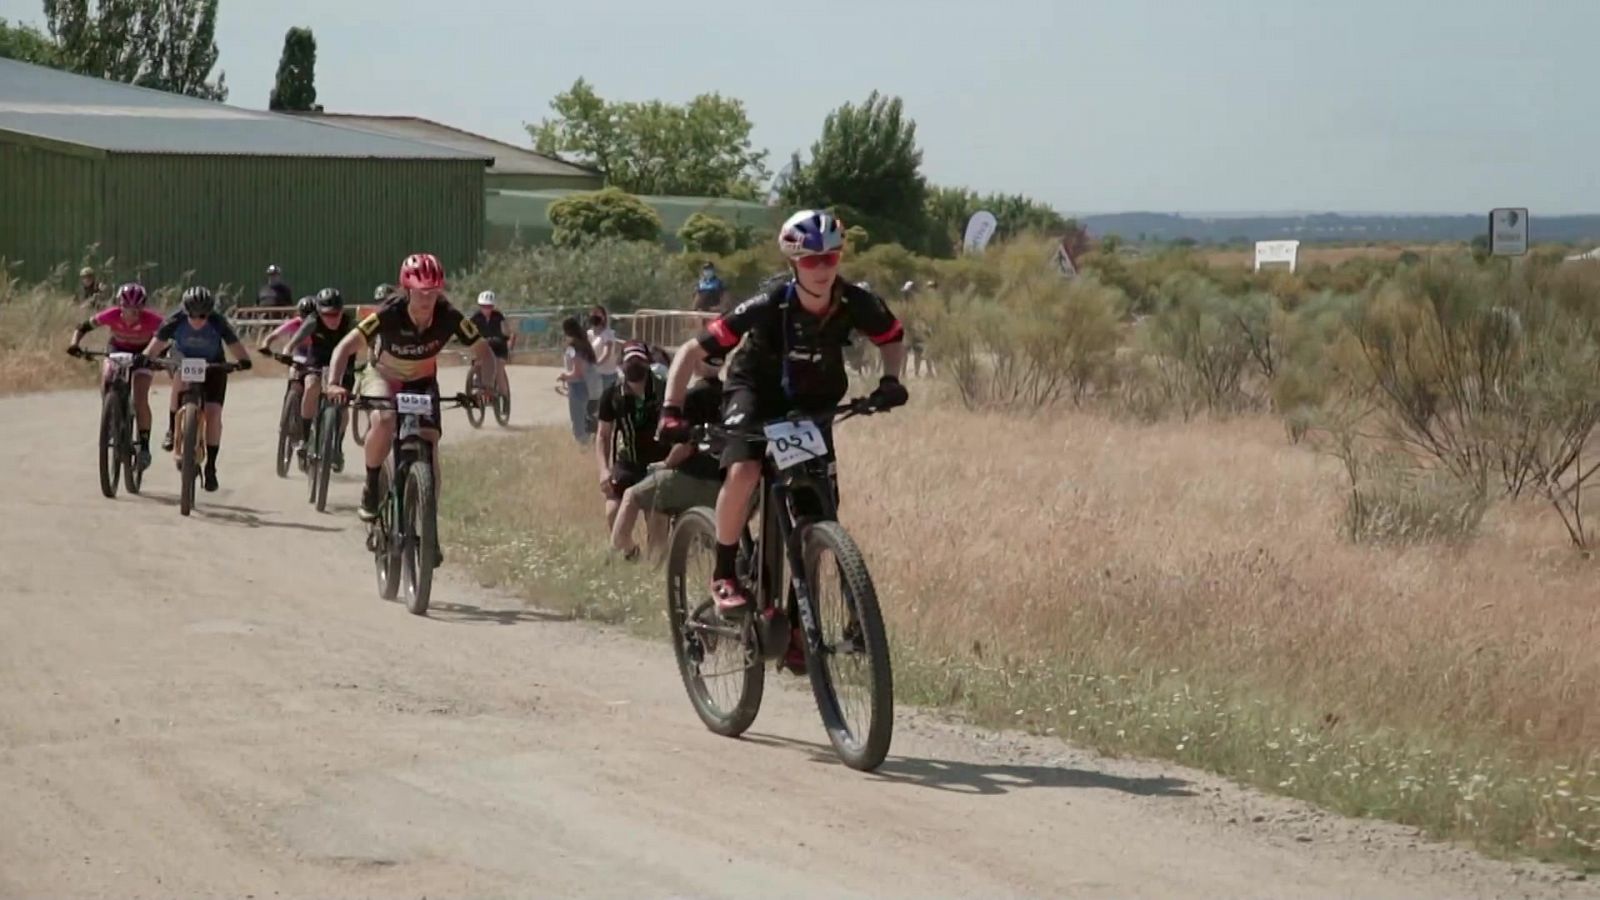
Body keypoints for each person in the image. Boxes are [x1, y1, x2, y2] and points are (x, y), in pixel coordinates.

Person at [657, 209, 909, 627]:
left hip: (812, 403)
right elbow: (692, 352)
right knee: (744, 469)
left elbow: (892, 336)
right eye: (812, 260)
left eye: (831, 258)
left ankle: (799, 625)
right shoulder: (771, 301)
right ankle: (723, 573)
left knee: (819, 513)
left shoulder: (855, 302)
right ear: (794, 263)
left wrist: (891, 380)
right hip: (755, 391)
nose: (823, 268)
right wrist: (670, 411)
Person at [325, 253, 494, 530]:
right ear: (406, 289)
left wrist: (485, 386)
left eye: (433, 291)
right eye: (420, 293)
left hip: (422, 381)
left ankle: (428, 525)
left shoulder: (449, 316)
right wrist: (333, 383)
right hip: (383, 376)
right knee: (384, 420)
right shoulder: (388, 313)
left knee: (429, 442)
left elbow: (483, 351)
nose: (427, 299)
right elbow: (344, 347)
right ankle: (371, 484)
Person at [611, 353, 725, 561]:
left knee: (631, 495)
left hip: (693, 477)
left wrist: (665, 463)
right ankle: (658, 559)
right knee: (659, 505)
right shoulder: (729, 394)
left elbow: (687, 445)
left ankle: (621, 549)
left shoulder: (693, 396)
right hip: (723, 482)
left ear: (697, 365)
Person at [141, 286, 254, 492]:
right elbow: (156, 344)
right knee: (179, 377)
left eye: (203, 315)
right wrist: (146, 357)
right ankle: (172, 429)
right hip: (184, 359)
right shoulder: (175, 319)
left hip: (213, 365)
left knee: (213, 413)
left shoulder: (218, 321)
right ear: (185, 311)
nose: (198, 320)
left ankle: (211, 466)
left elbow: (235, 345)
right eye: (193, 315)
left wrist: (243, 361)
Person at [66, 283, 165, 469]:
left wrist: (161, 355)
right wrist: (74, 344)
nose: (131, 313)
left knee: (140, 398)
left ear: (143, 308)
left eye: (137, 310)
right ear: (120, 306)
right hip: (116, 350)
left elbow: (169, 335)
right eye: (127, 308)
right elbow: (83, 327)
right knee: (107, 379)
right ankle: (110, 415)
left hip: (142, 354)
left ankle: (144, 446)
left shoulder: (153, 320)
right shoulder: (110, 314)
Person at [277, 288, 357, 470]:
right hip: (318, 362)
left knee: (343, 405)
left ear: (342, 311)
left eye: (336, 314)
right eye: (327, 315)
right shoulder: (312, 321)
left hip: (344, 365)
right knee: (311, 385)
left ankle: (337, 445)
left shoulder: (350, 323)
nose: (332, 319)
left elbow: (368, 339)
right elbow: (294, 341)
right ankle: (305, 438)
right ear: (319, 313)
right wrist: (287, 352)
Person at [595, 341, 668, 532]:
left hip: (659, 463)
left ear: (648, 363)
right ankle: (629, 552)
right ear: (621, 365)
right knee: (613, 513)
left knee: (658, 520)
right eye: (630, 361)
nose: (634, 366)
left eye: (639, 361)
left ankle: (655, 561)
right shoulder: (611, 394)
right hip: (628, 461)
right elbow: (603, 435)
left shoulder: (666, 390)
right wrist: (603, 469)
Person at [556, 316, 600, 445]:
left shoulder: (572, 348)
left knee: (578, 424)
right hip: (590, 387)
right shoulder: (584, 345)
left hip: (578, 387)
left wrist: (564, 376)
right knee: (588, 420)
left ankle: (583, 447)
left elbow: (577, 372)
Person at [471, 290, 514, 399]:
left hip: (499, 347)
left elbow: (507, 330)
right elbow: (468, 329)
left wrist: (507, 338)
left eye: (489, 306)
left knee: (499, 371)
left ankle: (505, 398)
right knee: (477, 361)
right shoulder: (476, 317)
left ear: (493, 306)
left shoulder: (498, 316)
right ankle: (479, 382)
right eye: (483, 306)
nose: (486, 309)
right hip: (484, 346)